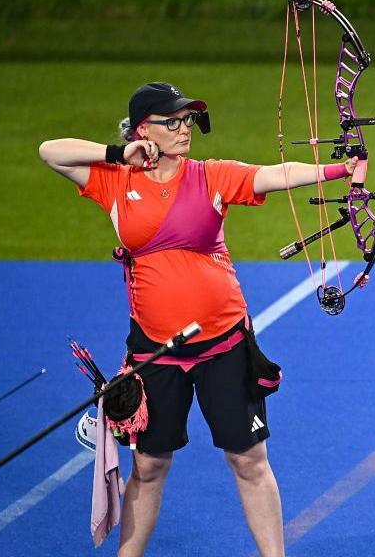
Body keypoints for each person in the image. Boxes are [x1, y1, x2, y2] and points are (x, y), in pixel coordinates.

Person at [38, 81, 358, 557]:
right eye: (173, 121)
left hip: (223, 344)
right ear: (145, 129)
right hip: (155, 350)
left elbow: (274, 174)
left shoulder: (210, 175)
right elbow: (50, 151)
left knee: (249, 459)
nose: (185, 129)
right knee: (148, 466)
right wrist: (118, 153)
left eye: (188, 120)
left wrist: (339, 169)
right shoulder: (114, 180)